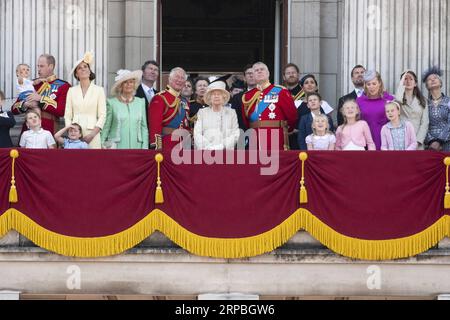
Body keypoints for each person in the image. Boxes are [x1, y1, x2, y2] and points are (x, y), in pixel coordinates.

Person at [241, 62, 297, 151]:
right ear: (253, 75)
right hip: (254, 138)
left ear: (268, 73)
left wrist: (287, 130)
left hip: (275, 136)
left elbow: (292, 116)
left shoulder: (281, 91)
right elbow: (246, 121)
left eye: (262, 69)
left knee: (275, 163)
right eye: (256, 70)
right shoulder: (247, 96)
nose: (259, 72)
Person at [12, 54, 71, 135]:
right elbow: (14, 108)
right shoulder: (31, 83)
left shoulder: (64, 86)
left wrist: (41, 99)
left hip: (49, 129)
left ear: (51, 66)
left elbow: (61, 111)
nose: (38, 69)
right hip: (28, 131)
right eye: (38, 66)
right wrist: (25, 104)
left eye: (42, 66)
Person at [64, 52, 106, 149]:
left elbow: (102, 115)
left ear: (89, 71)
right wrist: (71, 131)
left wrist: (92, 134)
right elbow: (68, 114)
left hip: (93, 133)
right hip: (75, 133)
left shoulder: (99, 90)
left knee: (93, 161)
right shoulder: (71, 91)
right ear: (76, 74)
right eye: (79, 68)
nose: (83, 68)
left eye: (85, 66)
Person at [101, 70, 149, 149]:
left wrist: (145, 147)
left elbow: (144, 127)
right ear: (120, 86)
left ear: (134, 84)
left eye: (131, 82)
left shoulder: (141, 102)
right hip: (117, 147)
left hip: (137, 146)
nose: (128, 84)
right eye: (125, 82)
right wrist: (102, 143)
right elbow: (107, 126)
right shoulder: (111, 103)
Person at [148, 67, 191, 150]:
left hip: (184, 146)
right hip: (167, 145)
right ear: (170, 79)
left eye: (182, 78)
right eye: (177, 77)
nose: (179, 80)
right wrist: (157, 146)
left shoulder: (185, 101)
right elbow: (155, 126)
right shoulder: (159, 98)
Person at [194, 81, 240, 150]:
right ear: (210, 97)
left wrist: (222, 146)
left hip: (226, 153)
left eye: (219, 94)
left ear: (224, 97)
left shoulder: (231, 113)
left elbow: (235, 134)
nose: (216, 96)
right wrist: (209, 147)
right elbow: (197, 133)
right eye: (213, 94)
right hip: (206, 152)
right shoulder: (202, 112)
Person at [356, 70, 394, 150]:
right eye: (368, 84)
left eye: (374, 83)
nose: (371, 87)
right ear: (365, 85)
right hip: (365, 140)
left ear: (379, 83)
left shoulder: (389, 99)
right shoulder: (359, 101)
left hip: (385, 140)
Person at [395, 71, 429, 150]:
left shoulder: (423, 100)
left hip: (417, 141)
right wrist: (401, 86)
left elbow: (425, 123)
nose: (408, 81)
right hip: (401, 139)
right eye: (405, 79)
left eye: (411, 79)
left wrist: (418, 141)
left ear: (415, 83)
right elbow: (398, 101)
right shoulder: (397, 98)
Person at [422, 66, 450, 151]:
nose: (433, 80)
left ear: (440, 83)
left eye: (435, 78)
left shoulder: (448, 101)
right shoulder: (424, 103)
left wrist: (439, 141)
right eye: (429, 79)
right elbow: (422, 124)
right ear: (427, 86)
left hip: (447, 143)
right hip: (430, 145)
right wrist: (431, 141)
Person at [231, 64, 257, 130]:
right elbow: (235, 120)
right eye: (248, 73)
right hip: (244, 134)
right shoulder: (237, 98)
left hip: (264, 134)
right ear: (244, 78)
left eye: (253, 73)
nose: (251, 75)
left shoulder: (267, 94)